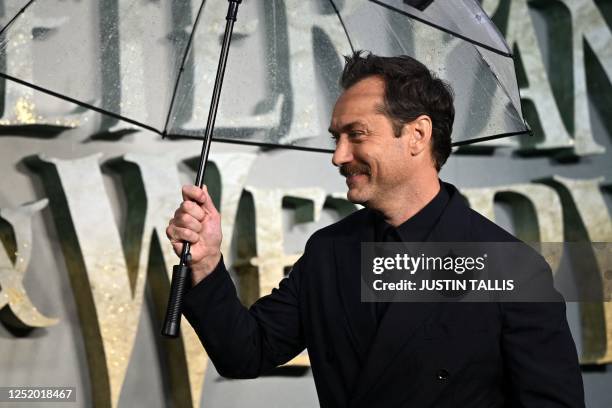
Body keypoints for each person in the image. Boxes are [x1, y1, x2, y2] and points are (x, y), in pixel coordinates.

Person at [166, 51, 584, 407]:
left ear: (417, 134)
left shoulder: (510, 269)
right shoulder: (328, 252)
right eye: (336, 138)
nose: (338, 156)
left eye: (356, 135)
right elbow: (246, 352)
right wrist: (205, 263)